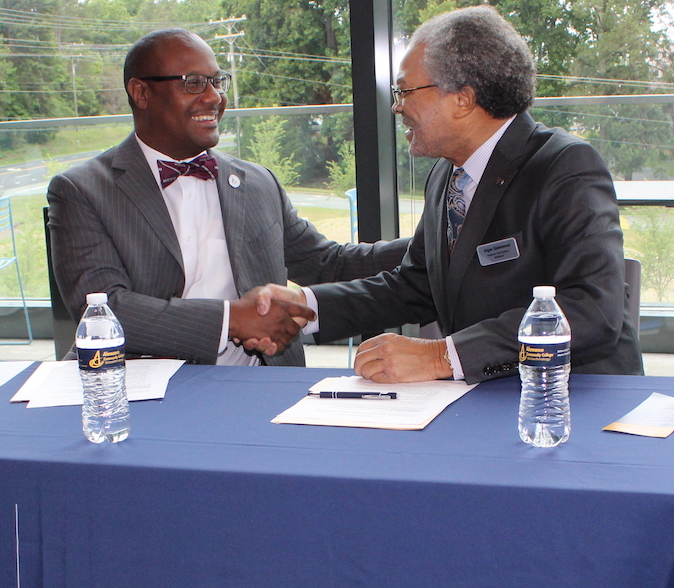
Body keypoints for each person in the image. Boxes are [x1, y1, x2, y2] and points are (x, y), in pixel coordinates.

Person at [252, 6, 642, 383]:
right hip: (488, 402)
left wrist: (439, 356)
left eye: (405, 90)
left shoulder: (565, 166)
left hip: (577, 401)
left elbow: (593, 310)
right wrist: (307, 307)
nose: (396, 106)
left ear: (462, 99)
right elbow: (416, 285)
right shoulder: (447, 175)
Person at [46, 28, 407, 365]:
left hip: (258, 384)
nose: (214, 97)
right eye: (194, 83)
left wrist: (434, 246)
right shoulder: (83, 190)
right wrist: (231, 320)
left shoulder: (257, 182)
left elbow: (329, 264)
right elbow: (106, 309)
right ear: (141, 93)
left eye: (217, 82)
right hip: (143, 396)